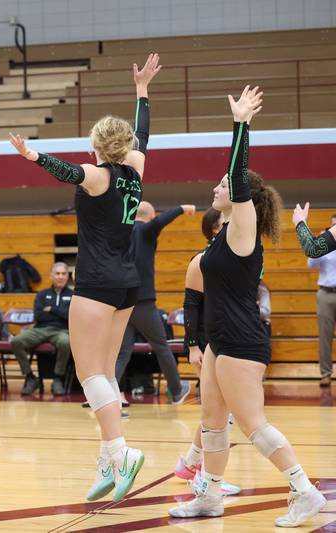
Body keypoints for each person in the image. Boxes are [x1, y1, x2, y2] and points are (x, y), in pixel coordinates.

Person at [168, 86, 326, 527]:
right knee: (212, 421)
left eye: (223, 184)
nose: (216, 186)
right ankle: (209, 497)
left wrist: (241, 124)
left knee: (253, 425)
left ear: (242, 199)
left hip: (241, 339)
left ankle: (304, 490)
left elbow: (237, 179)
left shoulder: (243, 225)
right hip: (220, 339)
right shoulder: (221, 236)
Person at [9, 53, 161, 503]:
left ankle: (121, 449)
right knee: (106, 371)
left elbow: (68, 171)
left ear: (96, 145)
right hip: (129, 282)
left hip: (96, 282)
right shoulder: (135, 171)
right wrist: (142, 91)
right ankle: (109, 462)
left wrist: (31, 153)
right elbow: (144, 135)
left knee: (87, 369)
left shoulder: (95, 176)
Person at [173, 207, 240, 496]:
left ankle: (190, 464)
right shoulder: (203, 260)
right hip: (208, 342)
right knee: (219, 412)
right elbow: (192, 305)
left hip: (229, 339)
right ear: (216, 228)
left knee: (220, 411)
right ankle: (202, 473)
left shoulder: (234, 256)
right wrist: (192, 346)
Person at [114, 201, 194, 405]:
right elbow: (159, 222)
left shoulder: (122, 233)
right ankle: (176, 390)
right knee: (161, 345)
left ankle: (108, 393)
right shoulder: (145, 230)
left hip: (122, 301)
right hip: (142, 301)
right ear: (149, 216)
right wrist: (181, 209)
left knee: (123, 351)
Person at [12, 262, 73, 396]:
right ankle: (30, 377)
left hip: (62, 331)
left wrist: (52, 309)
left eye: (63, 274)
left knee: (66, 342)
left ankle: (58, 378)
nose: (60, 277)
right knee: (16, 341)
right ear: (51, 276)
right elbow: (39, 315)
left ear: (68, 277)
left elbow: (71, 316)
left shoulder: (74, 295)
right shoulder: (42, 294)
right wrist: (61, 313)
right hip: (40, 329)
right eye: (57, 273)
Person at [301, 213, 336, 387]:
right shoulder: (326, 242)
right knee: (325, 336)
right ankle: (326, 374)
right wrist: (324, 243)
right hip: (325, 292)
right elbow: (311, 264)